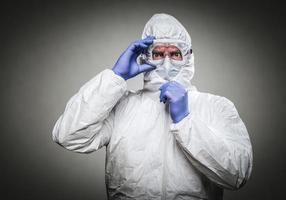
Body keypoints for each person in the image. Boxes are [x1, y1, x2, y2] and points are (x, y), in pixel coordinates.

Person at [52, 13, 253, 200]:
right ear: (144, 57)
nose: (167, 62)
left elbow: (237, 175)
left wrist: (185, 121)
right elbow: (69, 136)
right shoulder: (122, 106)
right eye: (158, 53)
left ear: (188, 57)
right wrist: (115, 77)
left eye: (175, 53)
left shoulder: (216, 107)